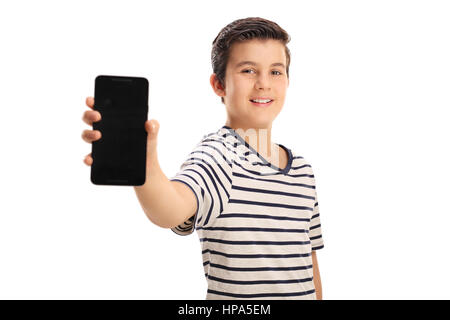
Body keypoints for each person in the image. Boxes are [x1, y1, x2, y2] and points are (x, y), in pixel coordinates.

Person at [81, 17, 324, 300]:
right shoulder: (219, 156)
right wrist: (142, 162)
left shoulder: (303, 171)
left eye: (275, 72)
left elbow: (308, 261)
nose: (263, 84)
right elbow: (171, 208)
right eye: (248, 70)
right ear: (219, 84)